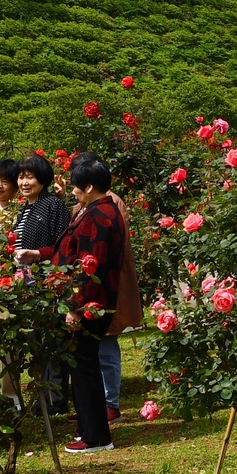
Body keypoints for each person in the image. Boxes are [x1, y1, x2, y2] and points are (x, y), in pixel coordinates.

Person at [56, 151, 125, 453]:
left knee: (84, 367)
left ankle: (97, 436)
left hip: (90, 305)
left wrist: (76, 307)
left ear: (88, 187)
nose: (72, 190)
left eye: (75, 186)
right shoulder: (100, 211)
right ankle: (88, 427)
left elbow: (89, 266)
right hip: (93, 302)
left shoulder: (98, 217)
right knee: (82, 366)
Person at [98, 183, 143, 421]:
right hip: (94, 288)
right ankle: (98, 404)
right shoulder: (84, 203)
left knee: (106, 349)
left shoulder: (111, 203)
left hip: (108, 285)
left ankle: (110, 404)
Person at [10, 152, 69, 265]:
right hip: (22, 278)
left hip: (44, 276)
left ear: (42, 178)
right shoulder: (23, 209)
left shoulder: (52, 204)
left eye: (30, 177)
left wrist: (38, 254)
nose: (24, 183)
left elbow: (64, 245)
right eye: (21, 177)